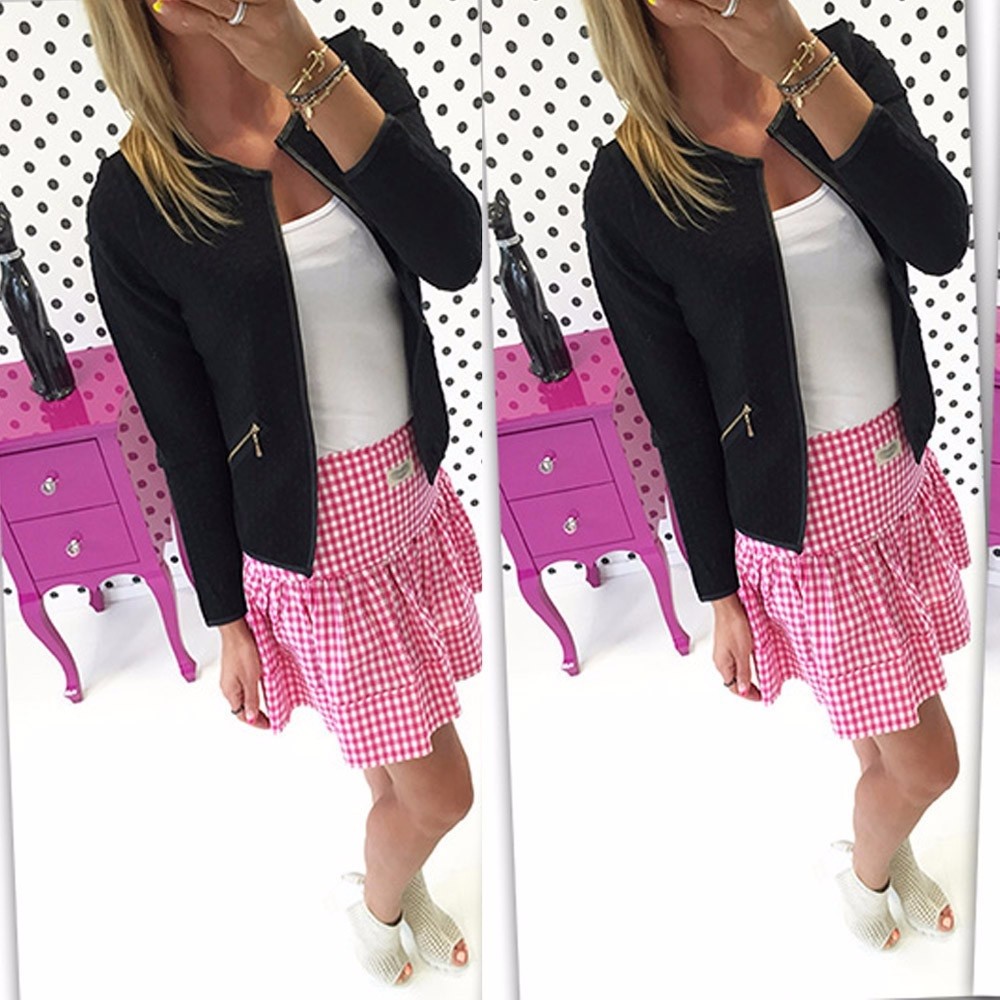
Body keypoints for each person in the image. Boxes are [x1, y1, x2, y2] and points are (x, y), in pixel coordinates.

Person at [82, 0, 482, 985]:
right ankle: (376, 905)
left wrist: (307, 69)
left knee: (394, 755)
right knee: (442, 793)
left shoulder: (354, 78)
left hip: (410, 501)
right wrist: (226, 618)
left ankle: (400, 879)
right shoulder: (135, 198)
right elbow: (183, 434)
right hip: (311, 552)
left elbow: (453, 253)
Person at [582, 0, 970, 950]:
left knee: (882, 727)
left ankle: (884, 841)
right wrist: (718, 593)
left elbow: (938, 238)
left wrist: (798, 61)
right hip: (801, 526)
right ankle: (866, 871)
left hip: (897, 476)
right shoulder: (631, 186)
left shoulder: (842, 68)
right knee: (929, 763)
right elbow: (678, 416)